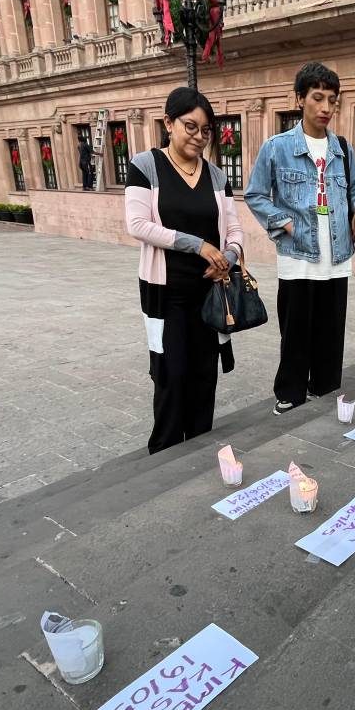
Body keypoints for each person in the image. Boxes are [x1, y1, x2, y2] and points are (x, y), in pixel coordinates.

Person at [245, 62, 355, 414]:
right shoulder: (277, 147)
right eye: (317, 98)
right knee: (296, 329)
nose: (325, 108)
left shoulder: (343, 149)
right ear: (300, 98)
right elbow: (255, 194)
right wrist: (283, 222)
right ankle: (290, 391)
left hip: (337, 253)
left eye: (332, 100)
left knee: (331, 328)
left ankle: (325, 386)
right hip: (297, 253)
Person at [125, 87, 244, 454]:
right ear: (168, 123)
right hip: (167, 292)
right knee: (171, 375)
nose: (198, 136)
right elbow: (138, 224)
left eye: (205, 130)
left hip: (210, 294)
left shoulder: (216, 177)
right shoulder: (146, 166)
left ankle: (198, 449)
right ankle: (163, 453)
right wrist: (199, 245)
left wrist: (229, 256)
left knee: (204, 376)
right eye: (190, 126)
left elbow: (236, 231)